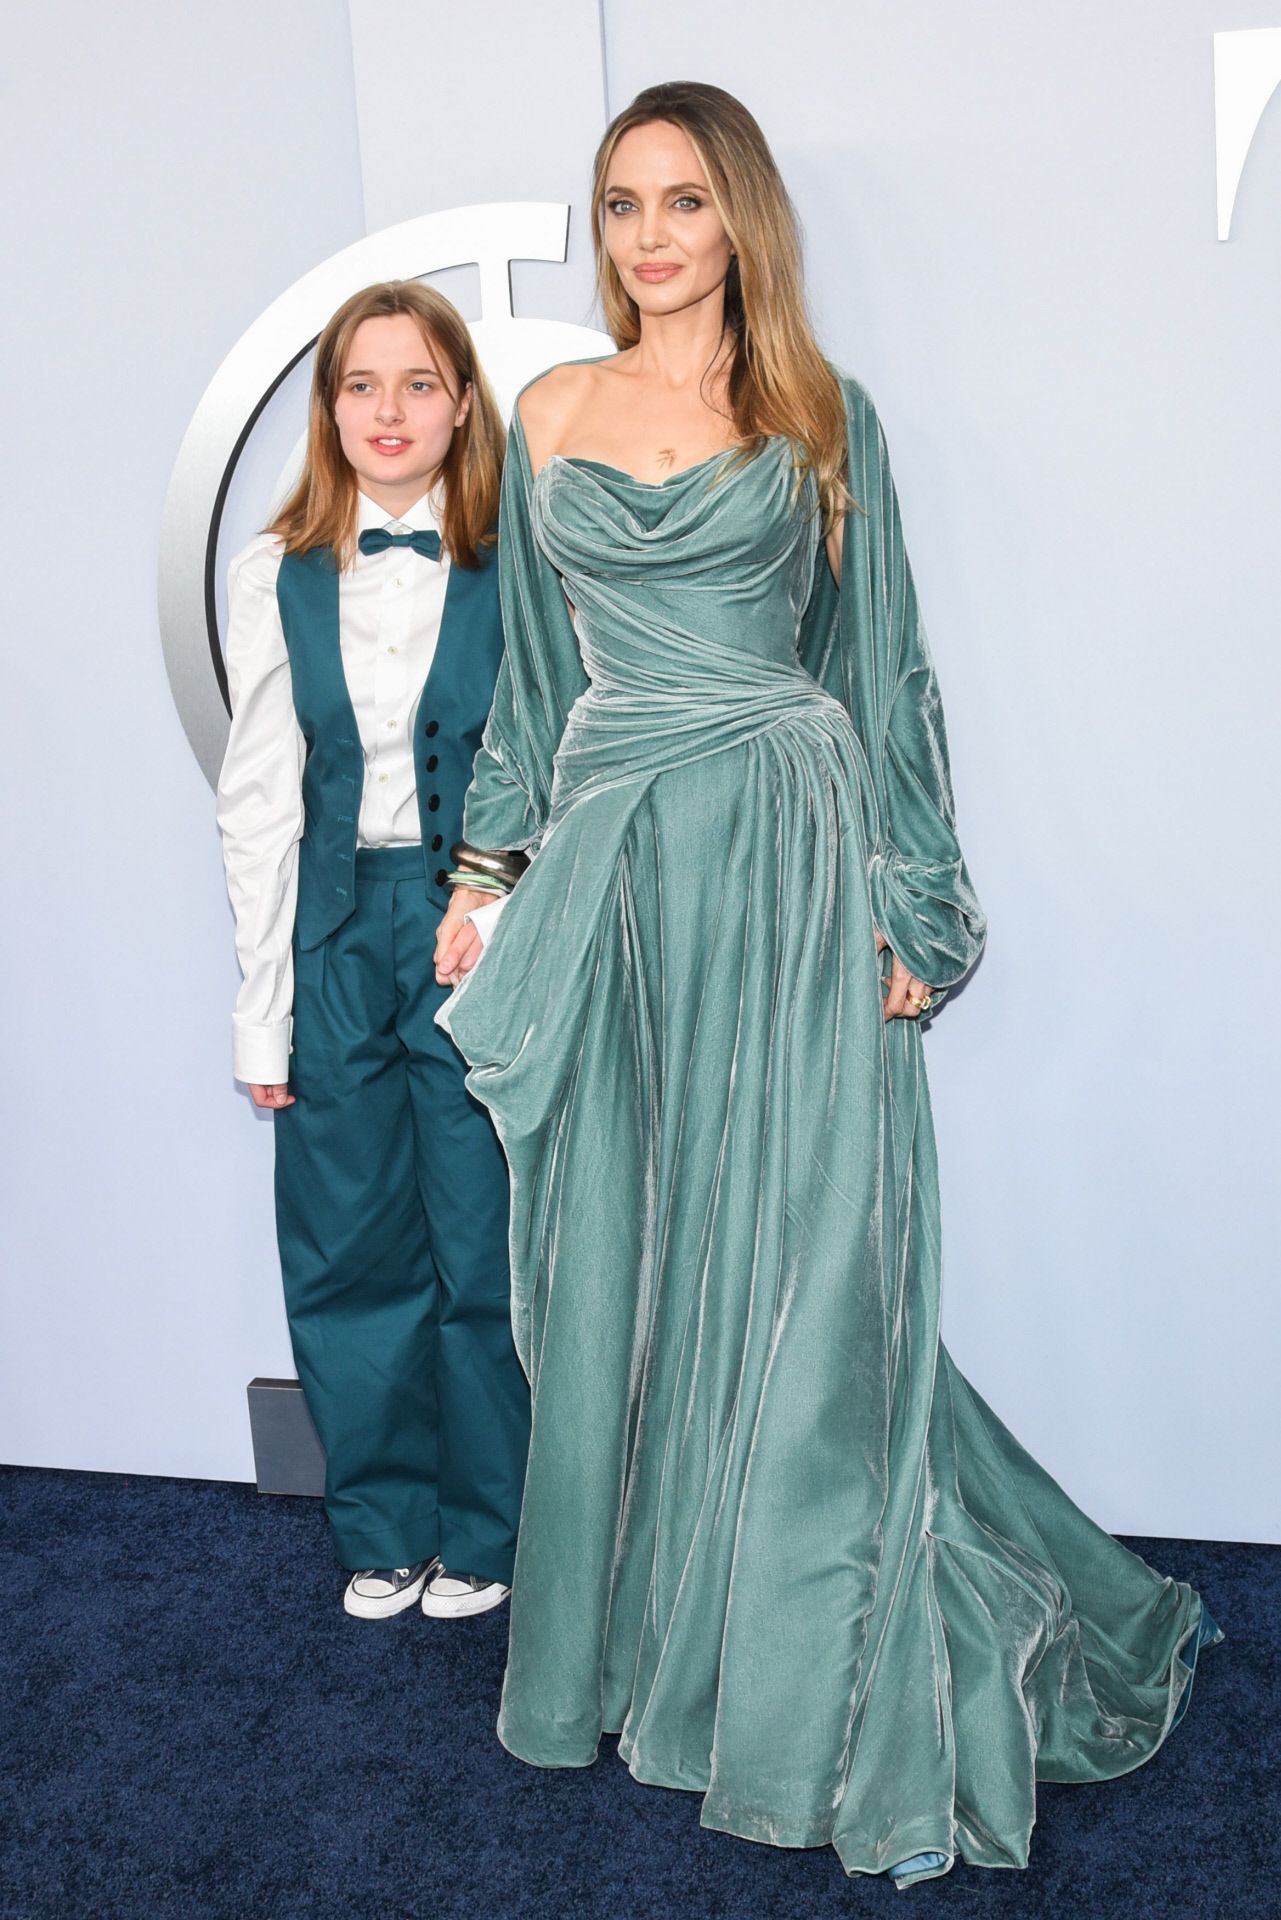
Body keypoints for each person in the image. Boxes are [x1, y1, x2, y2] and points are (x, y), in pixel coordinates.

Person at [433, 84, 1222, 1887]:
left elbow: (885, 677)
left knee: (801, 1279)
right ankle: (642, 1648)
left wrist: (912, 909)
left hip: (790, 872)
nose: (648, 236)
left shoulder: (817, 414)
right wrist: (486, 877)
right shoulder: (545, 411)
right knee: (618, 1266)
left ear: (739, 223)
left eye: (684, 202)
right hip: (621, 884)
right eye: (622, 203)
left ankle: (796, 1663)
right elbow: (533, 691)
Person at [217, 281, 528, 1623]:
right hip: (336, 930)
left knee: (480, 1243)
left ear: (462, 402)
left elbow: (546, 763)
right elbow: (256, 799)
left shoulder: (522, 560)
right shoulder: (272, 571)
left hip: (475, 933)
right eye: (359, 384)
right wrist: (260, 1010)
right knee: (345, 1245)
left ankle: (491, 1530)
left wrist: (494, 906)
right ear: (327, 407)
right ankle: (384, 1524)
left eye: (415, 383)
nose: (386, 411)